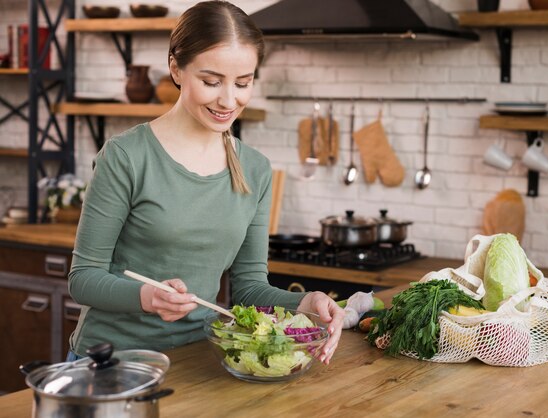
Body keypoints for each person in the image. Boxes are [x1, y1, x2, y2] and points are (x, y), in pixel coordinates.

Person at [68, 0, 344, 365]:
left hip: (200, 362)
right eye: (211, 81)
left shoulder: (254, 169)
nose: (229, 100)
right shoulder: (126, 157)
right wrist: (147, 296)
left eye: (243, 83)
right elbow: (83, 278)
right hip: (112, 363)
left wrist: (306, 302)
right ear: (176, 69)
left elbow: (248, 288)